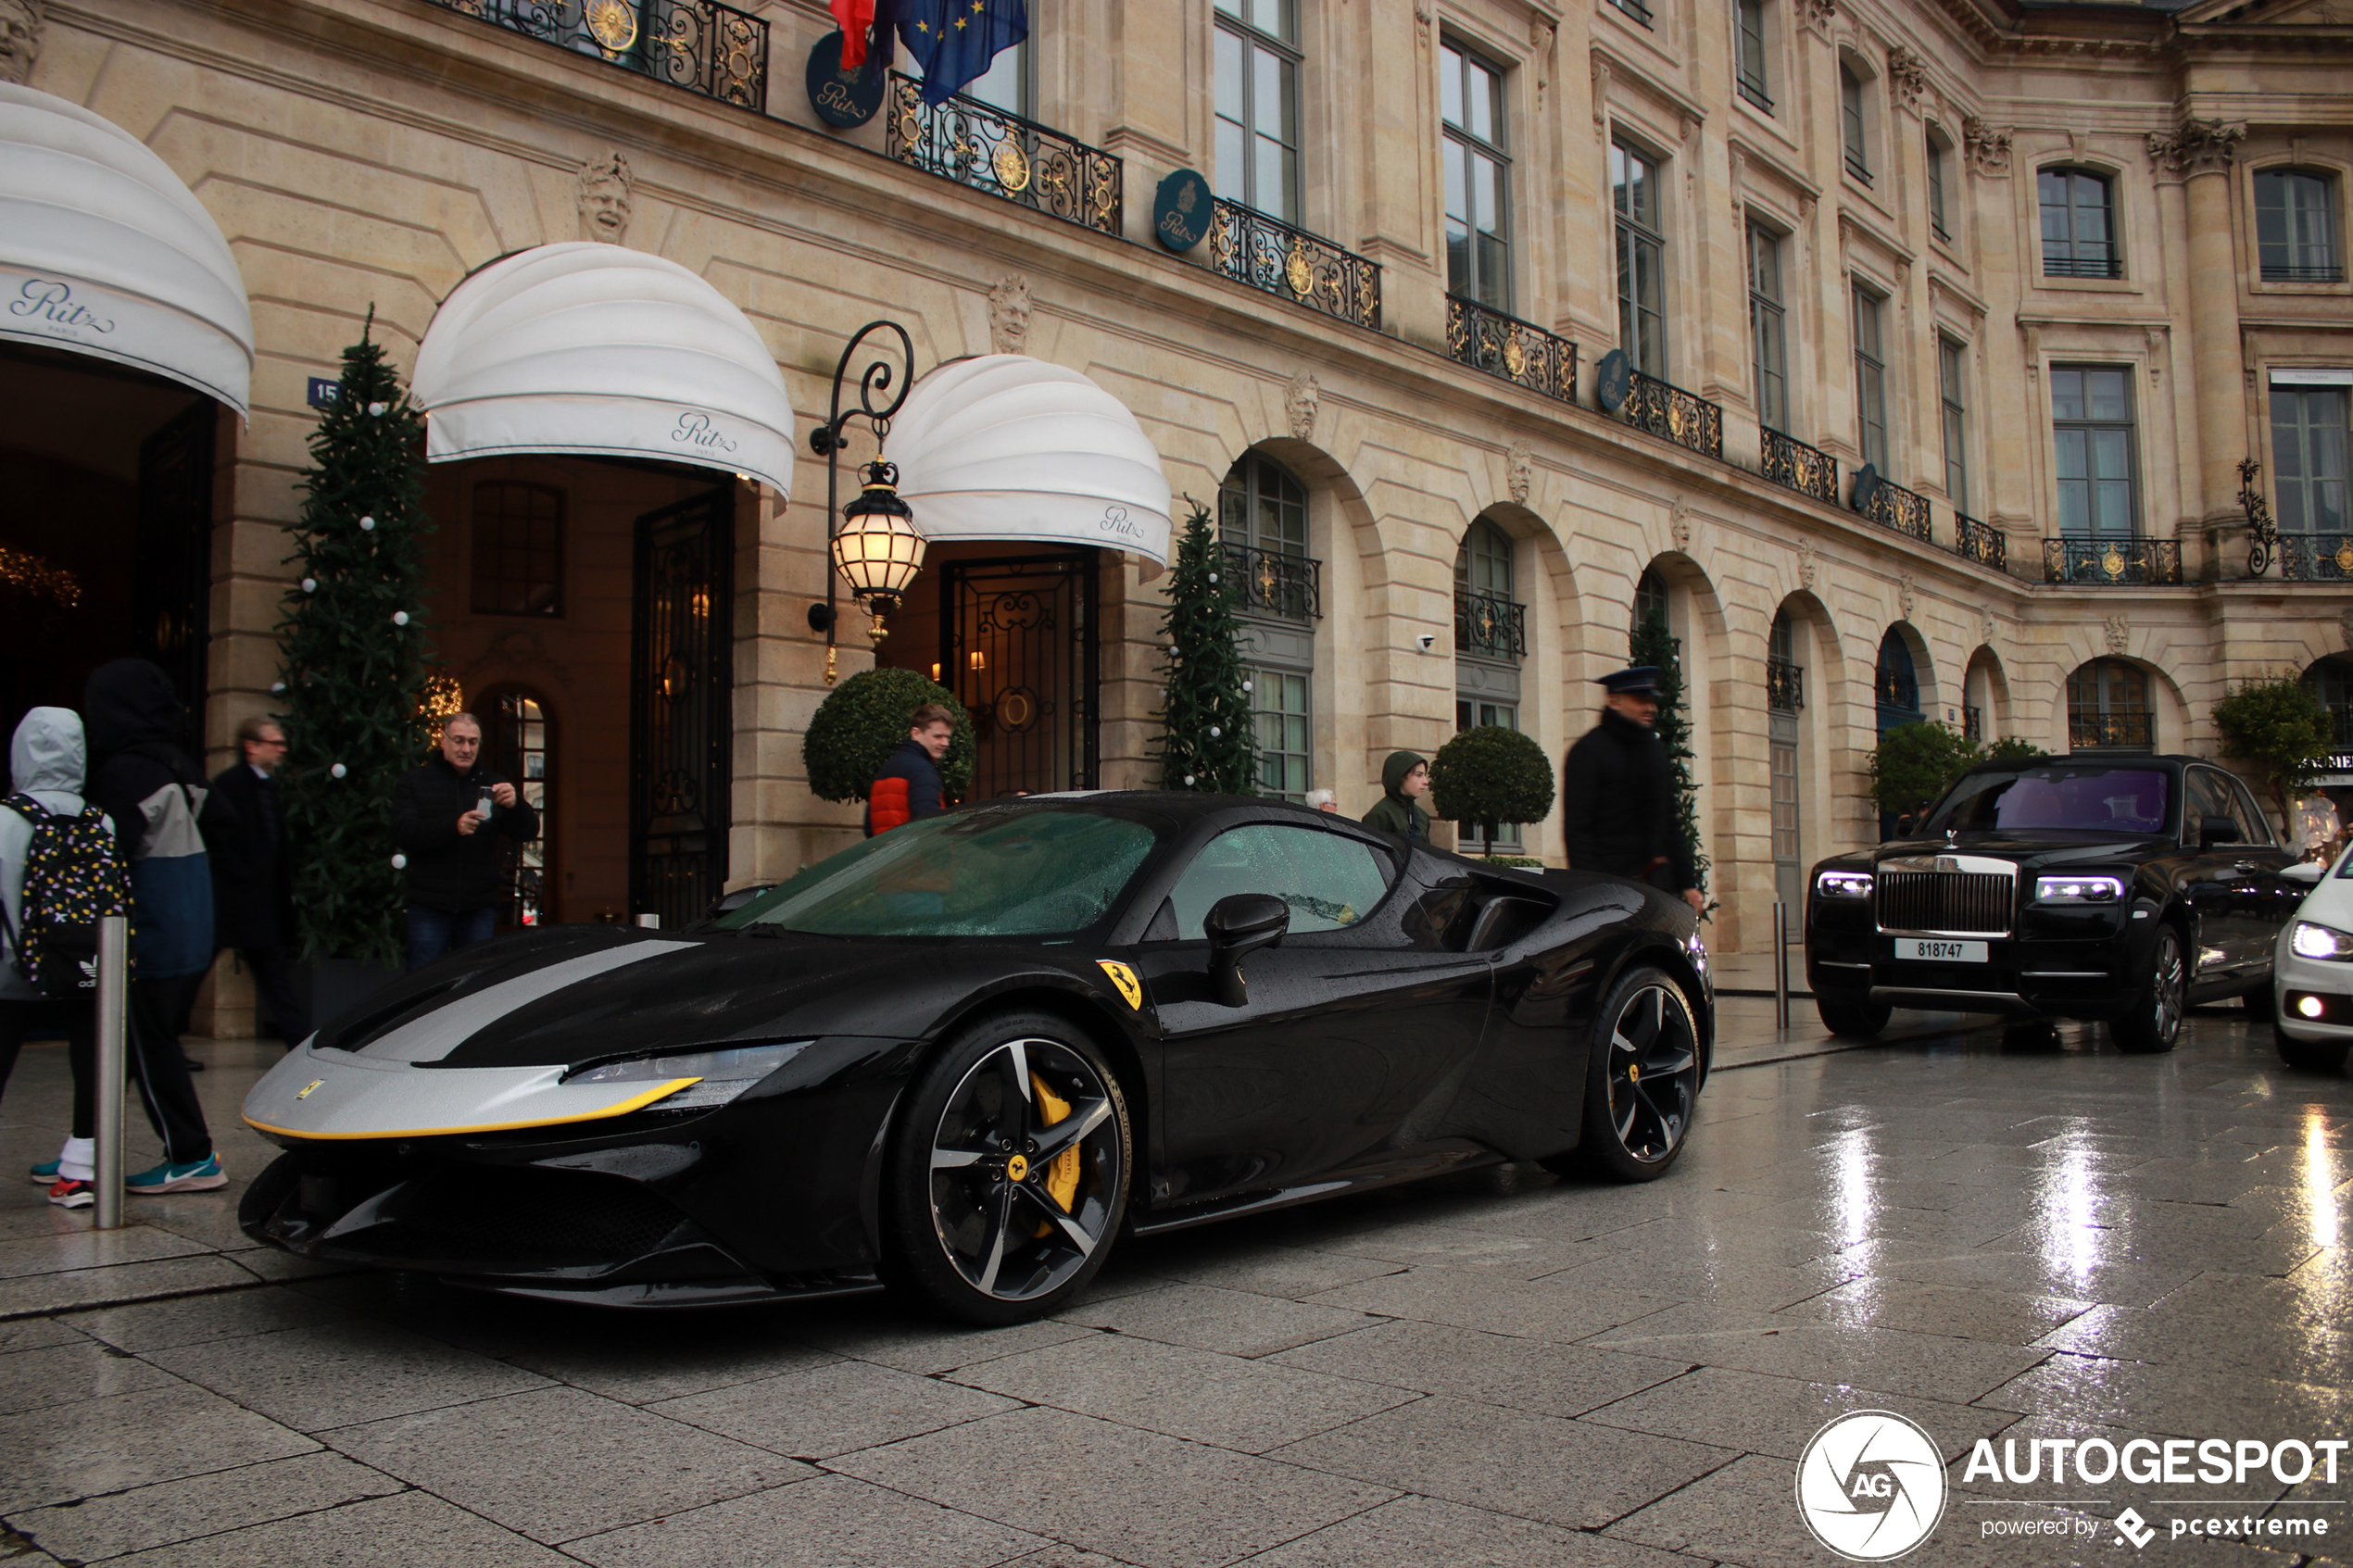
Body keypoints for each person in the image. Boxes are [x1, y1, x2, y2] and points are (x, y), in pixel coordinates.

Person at [82, 658, 227, 1196]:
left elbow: (102, 852)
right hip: (191, 920)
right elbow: (225, 822)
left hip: (152, 926)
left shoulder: (124, 772)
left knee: (149, 1043)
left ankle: (191, 1154)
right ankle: (85, 1148)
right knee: (130, 1044)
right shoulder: (176, 763)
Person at [2, 709, 105, 1203]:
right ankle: (80, 1171)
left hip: (12, 967)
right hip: (85, 964)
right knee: (90, 1063)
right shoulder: (99, 819)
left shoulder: (4, 817)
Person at [390, 712, 537, 971]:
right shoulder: (415, 782)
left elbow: (526, 832)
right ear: (443, 741)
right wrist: (453, 827)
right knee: (424, 981)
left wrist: (516, 806)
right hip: (429, 903)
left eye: (472, 741)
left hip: (477, 905)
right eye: (458, 740)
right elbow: (403, 832)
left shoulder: (493, 784)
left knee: (473, 981)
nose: (466, 749)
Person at [201, 716, 312, 1047]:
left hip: (260, 904)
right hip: (234, 901)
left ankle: (297, 1042)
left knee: (274, 978)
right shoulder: (229, 785)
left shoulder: (268, 787)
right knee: (196, 970)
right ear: (252, 746)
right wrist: (240, 876)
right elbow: (217, 838)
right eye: (274, 743)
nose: (281, 749)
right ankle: (164, 1033)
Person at [1562, 666, 1704, 915]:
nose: (1650, 708)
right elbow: (1578, 831)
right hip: (1609, 889)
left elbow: (1670, 820)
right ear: (1614, 700)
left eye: (1652, 701)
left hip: (1658, 886)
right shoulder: (1588, 751)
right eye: (1640, 700)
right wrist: (1593, 891)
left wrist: (1688, 883)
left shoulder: (1655, 750)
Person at [866, 703, 953, 835]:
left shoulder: (886, 768)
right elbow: (929, 827)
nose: (945, 743)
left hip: (884, 853)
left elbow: (869, 827)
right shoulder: (922, 770)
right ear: (916, 733)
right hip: (913, 854)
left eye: (947, 737)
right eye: (938, 736)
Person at [1361, 751, 1433, 840]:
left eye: (1425, 775)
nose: (1425, 782)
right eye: (1418, 775)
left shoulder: (1422, 816)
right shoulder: (1379, 815)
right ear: (1400, 776)